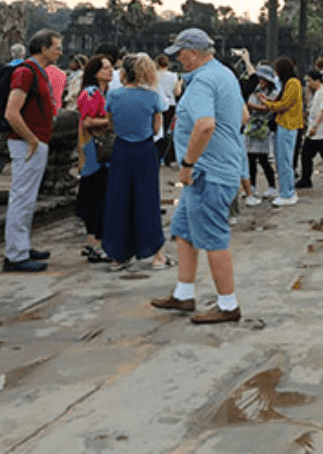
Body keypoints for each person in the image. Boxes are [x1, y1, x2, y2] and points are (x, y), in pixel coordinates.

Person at [152, 28, 246, 324]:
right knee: (183, 231)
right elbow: (242, 115)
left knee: (214, 238)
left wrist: (189, 164)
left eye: (181, 54)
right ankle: (183, 294)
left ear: (193, 53)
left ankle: (228, 304)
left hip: (207, 173)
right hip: (217, 168)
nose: (179, 60)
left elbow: (204, 125)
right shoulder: (224, 74)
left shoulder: (203, 81)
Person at [1, 29, 62, 272]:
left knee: (27, 198)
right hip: (27, 143)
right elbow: (11, 112)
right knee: (22, 198)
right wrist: (32, 139)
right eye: (56, 47)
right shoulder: (25, 72)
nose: (60, 51)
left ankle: (21, 246)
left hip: (34, 140)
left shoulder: (37, 73)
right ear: (44, 49)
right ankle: (15, 254)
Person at [102, 53, 169, 268]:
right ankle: (156, 253)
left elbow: (110, 125)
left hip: (121, 149)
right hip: (145, 150)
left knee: (118, 200)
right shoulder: (152, 97)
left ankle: (117, 255)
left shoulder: (114, 95)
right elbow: (156, 128)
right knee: (147, 200)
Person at [76, 54, 114, 263]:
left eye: (110, 67)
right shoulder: (91, 93)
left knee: (96, 196)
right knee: (97, 197)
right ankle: (96, 244)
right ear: (95, 72)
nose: (109, 71)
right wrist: (110, 122)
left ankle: (92, 242)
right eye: (105, 68)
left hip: (99, 151)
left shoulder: (102, 92)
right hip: (95, 151)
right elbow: (87, 122)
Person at [252, 57, 304, 207]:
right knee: (282, 160)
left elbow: (284, 105)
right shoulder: (289, 83)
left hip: (288, 125)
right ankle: (287, 191)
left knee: (284, 160)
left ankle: (288, 193)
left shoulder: (293, 83)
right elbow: (282, 101)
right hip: (285, 124)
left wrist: (267, 104)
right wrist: (267, 100)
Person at [242, 64, 277, 206]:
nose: (260, 82)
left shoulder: (273, 93)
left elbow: (268, 108)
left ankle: (272, 187)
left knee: (263, 159)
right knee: (250, 158)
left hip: (263, 126)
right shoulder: (254, 90)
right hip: (251, 126)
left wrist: (256, 105)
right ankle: (252, 186)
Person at [155, 54, 180, 167]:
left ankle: (157, 156)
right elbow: (177, 92)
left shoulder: (154, 75)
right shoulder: (173, 76)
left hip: (157, 104)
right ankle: (168, 158)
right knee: (168, 133)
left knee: (158, 132)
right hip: (171, 105)